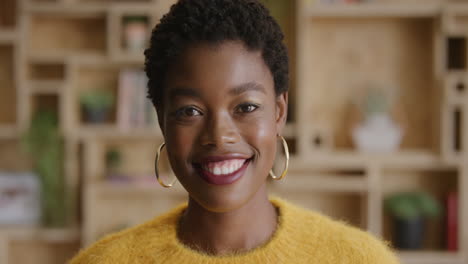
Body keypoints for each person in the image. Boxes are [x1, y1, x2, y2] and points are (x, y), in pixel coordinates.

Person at [69, 0, 400, 263]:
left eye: (246, 107)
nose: (218, 135)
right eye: (190, 111)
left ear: (279, 112)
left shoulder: (358, 259)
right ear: (162, 121)